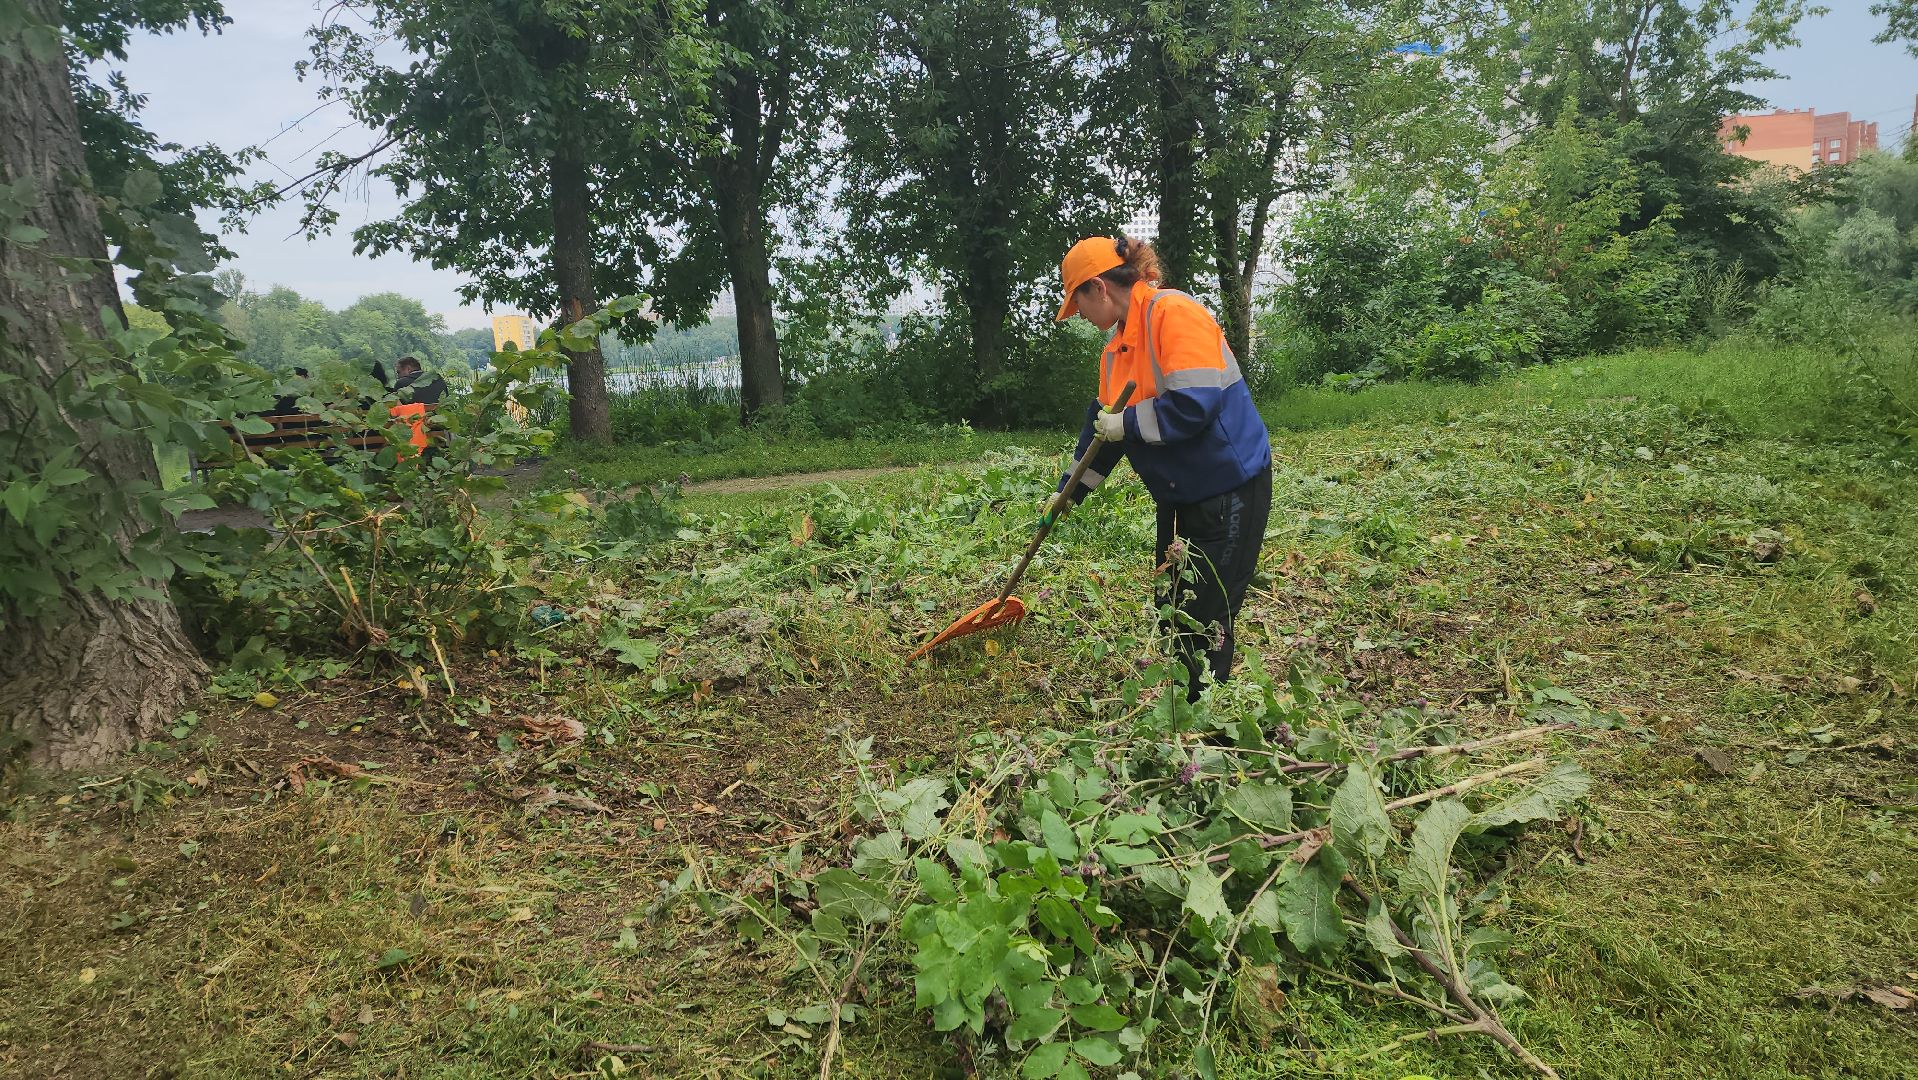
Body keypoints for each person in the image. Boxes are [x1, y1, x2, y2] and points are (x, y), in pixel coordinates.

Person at [1046, 235, 1273, 701]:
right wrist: (1069, 491)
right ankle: (1183, 704)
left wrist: (1124, 422)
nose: (1082, 318)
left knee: (1207, 608)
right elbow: (1102, 436)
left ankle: (1202, 715)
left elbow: (1195, 404)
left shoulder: (1173, 313)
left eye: (1079, 304)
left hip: (1228, 484)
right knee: (1173, 599)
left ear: (1100, 288)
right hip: (1178, 489)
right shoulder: (1117, 349)